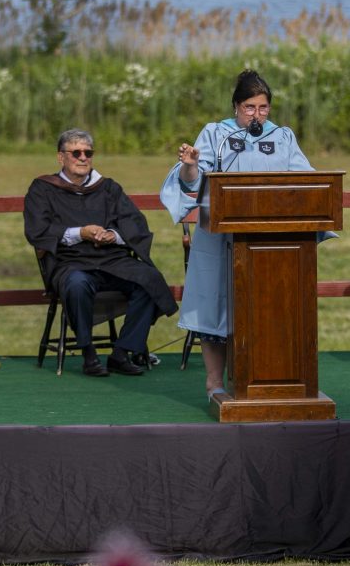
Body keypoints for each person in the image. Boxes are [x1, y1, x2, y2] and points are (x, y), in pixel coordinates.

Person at [161, 69, 314, 397]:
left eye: (262, 108)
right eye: (249, 108)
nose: (256, 115)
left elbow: (307, 184)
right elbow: (191, 179)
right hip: (220, 239)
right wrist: (190, 164)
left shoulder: (283, 137)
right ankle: (215, 383)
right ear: (235, 107)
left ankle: (264, 380)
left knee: (267, 309)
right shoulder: (216, 134)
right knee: (216, 308)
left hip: (270, 245)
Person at [24, 128, 178, 377]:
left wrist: (113, 235)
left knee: (149, 279)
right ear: (61, 157)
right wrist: (80, 233)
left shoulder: (108, 189)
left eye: (88, 152)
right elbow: (37, 229)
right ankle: (88, 353)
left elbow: (134, 223)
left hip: (112, 259)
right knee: (76, 284)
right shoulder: (43, 189)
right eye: (76, 152)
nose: (83, 158)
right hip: (70, 262)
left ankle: (122, 352)